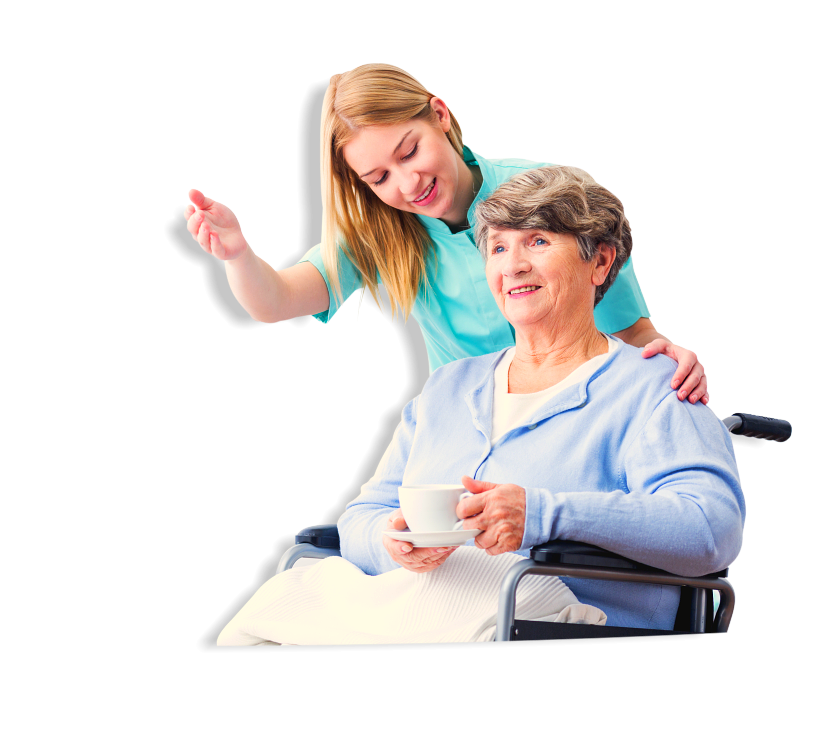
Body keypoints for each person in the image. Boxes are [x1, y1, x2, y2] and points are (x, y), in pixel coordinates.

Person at [215, 166, 743, 644]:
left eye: (537, 241)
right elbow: (363, 517)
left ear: (600, 261)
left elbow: (710, 528)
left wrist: (541, 514)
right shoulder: (447, 389)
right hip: (423, 598)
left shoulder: (657, 386)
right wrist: (392, 541)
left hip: (551, 611)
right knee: (283, 600)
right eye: (497, 248)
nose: (512, 266)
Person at [183, 63, 709, 405]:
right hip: (473, 428)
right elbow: (274, 301)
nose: (408, 184)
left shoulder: (554, 193)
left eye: (410, 151)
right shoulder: (382, 232)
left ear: (440, 114)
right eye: (379, 177)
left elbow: (632, 332)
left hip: (580, 410)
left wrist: (673, 362)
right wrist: (237, 254)